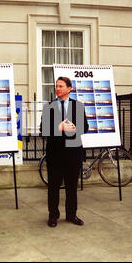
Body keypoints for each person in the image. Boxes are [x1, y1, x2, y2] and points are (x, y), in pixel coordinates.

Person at [40, 76, 89, 227]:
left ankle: (71, 215)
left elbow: (85, 127)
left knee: (72, 187)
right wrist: (58, 128)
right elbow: (42, 130)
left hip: (73, 153)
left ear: (69, 89)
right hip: (55, 154)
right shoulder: (50, 106)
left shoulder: (78, 106)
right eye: (57, 86)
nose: (58, 88)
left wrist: (75, 128)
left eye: (61, 86)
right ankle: (53, 215)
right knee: (53, 187)